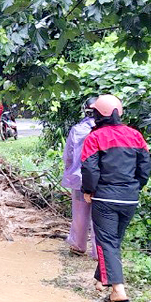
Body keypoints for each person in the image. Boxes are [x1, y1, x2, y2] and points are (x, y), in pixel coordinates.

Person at [80, 94, 151, 302]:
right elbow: (145, 167)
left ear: (97, 115)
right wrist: (135, 186)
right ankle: (101, 280)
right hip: (130, 198)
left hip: (104, 198)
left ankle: (118, 290)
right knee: (113, 240)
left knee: (107, 241)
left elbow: (89, 168)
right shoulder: (136, 135)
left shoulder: (94, 137)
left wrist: (88, 190)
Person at [62, 97, 97, 256]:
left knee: (80, 214)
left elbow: (68, 155)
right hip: (101, 180)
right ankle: (98, 252)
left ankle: (78, 245)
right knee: (100, 217)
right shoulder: (106, 131)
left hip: (80, 179)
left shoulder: (77, 130)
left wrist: (69, 170)